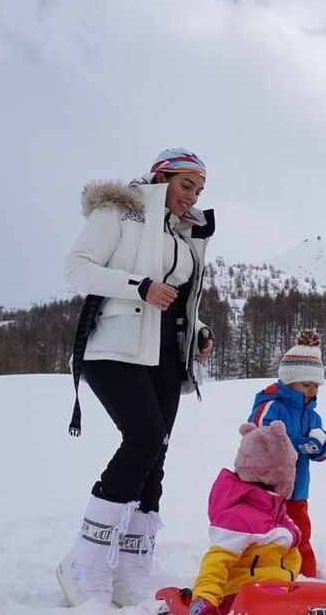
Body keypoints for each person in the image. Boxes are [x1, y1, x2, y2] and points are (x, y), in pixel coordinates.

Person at [56, 148, 216, 607]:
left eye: (199, 190)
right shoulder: (119, 212)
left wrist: (198, 330)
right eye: (186, 185)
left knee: (156, 450)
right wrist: (139, 287)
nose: (192, 197)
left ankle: (131, 564)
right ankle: (85, 560)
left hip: (164, 352)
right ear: (160, 177)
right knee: (143, 437)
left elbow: (179, 299)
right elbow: (77, 267)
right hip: (114, 346)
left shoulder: (181, 232)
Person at [187, 421, 302, 615]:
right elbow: (216, 562)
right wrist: (204, 598)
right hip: (240, 596)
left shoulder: (279, 515)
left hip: (278, 593)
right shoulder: (239, 518)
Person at [247, 328, 326, 577]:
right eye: (306, 384)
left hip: (298, 491)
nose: (312, 390)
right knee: (267, 536)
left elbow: (321, 453)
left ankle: (306, 579)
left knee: (300, 535)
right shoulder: (271, 406)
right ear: (289, 381)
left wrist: (321, 447)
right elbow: (261, 438)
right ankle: (262, 574)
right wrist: (301, 444)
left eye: (316, 385)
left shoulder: (313, 415)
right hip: (266, 490)